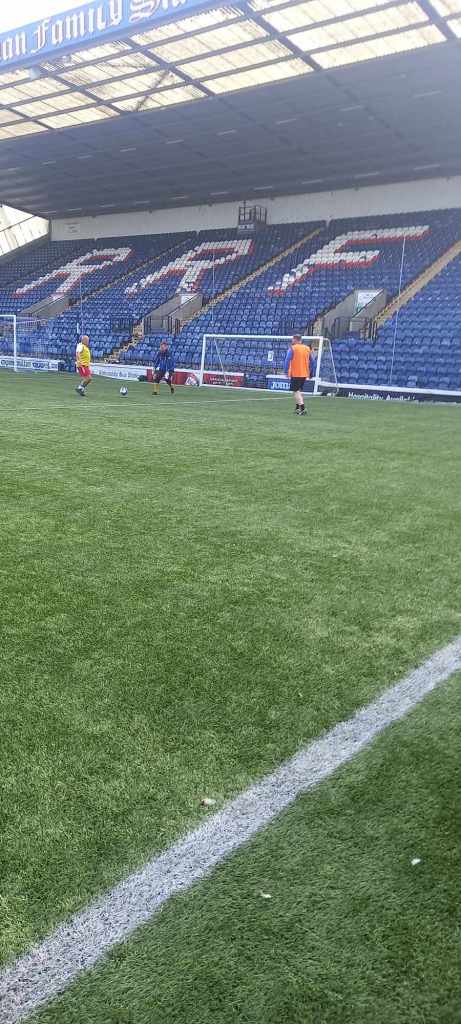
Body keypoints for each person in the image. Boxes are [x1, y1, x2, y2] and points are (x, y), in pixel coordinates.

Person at [284, 334, 314, 415]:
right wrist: (311, 372)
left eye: (292, 339)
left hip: (296, 373)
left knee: (296, 391)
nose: (292, 340)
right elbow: (312, 361)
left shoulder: (293, 348)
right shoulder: (307, 348)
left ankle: (303, 408)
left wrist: (286, 371)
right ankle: (297, 408)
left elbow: (287, 359)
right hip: (304, 373)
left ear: (295, 340)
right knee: (298, 390)